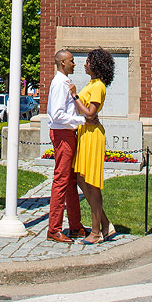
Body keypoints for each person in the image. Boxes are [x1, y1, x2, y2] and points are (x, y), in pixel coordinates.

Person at [71, 48, 116, 244]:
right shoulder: (91, 84)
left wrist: (74, 96)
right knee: (80, 179)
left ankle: (96, 233)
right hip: (84, 133)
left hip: (93, 136)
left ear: (96, 64)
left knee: (92, 183)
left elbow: (90, 113)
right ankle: (105, 223)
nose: (84, 64)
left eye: (88, 61)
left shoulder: (98, 86)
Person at [45, 49, 88, 243]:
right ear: (62, 63)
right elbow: (57, 115)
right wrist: (81, 120)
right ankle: (54, 229)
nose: (74, 64)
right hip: (63, 135)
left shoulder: (64, 83)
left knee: (70, 181)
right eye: (71, 61)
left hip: (68, 134)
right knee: (61, 180)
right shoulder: (59, 84)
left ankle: (75, 226)